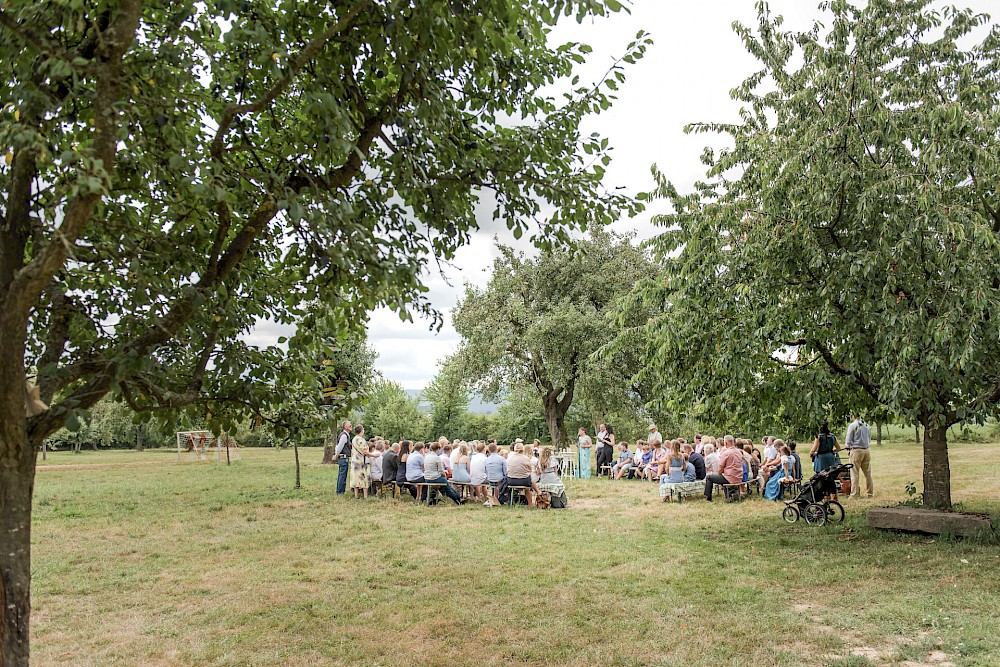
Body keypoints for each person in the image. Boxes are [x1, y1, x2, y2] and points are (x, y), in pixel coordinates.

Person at [704, 435, 744, 502]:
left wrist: (720, 473)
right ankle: (729, 495)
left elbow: (720, 467)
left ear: (726, 443)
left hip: (729, 478)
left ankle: (708, 497)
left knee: (709, 477)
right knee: (723, 476)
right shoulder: (739, 452)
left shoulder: (726, 453)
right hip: (739, 477)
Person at [845, 413, 873, 498]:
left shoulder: (852, 425)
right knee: (868, 474)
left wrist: (847, 446)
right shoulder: (867, 425)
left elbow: (849, 437)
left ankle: (854, 494)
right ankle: (870, 493)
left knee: (854, 474)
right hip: (866, 450)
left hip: (856, 450)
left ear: (853, 416)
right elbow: (869, 437)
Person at [349, 425, 379, 499]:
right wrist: (374, 455)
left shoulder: (354, 439)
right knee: (363, 477)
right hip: (362, 461)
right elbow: (365, 452)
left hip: (355, 460)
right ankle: (365, 495)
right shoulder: (361, 440)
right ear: (362, 430)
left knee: (356, 477)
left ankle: (356, 495)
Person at [334, 420, 353, 494]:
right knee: (342, 475)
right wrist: (337, 454)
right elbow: (339, 447)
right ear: (345, 427)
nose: (351, 426)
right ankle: (340, 492)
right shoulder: (344, 436)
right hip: (343, 457)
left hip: (344, 457)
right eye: (350, 425)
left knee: (342, 475)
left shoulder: (345, 435)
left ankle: (340, 490)